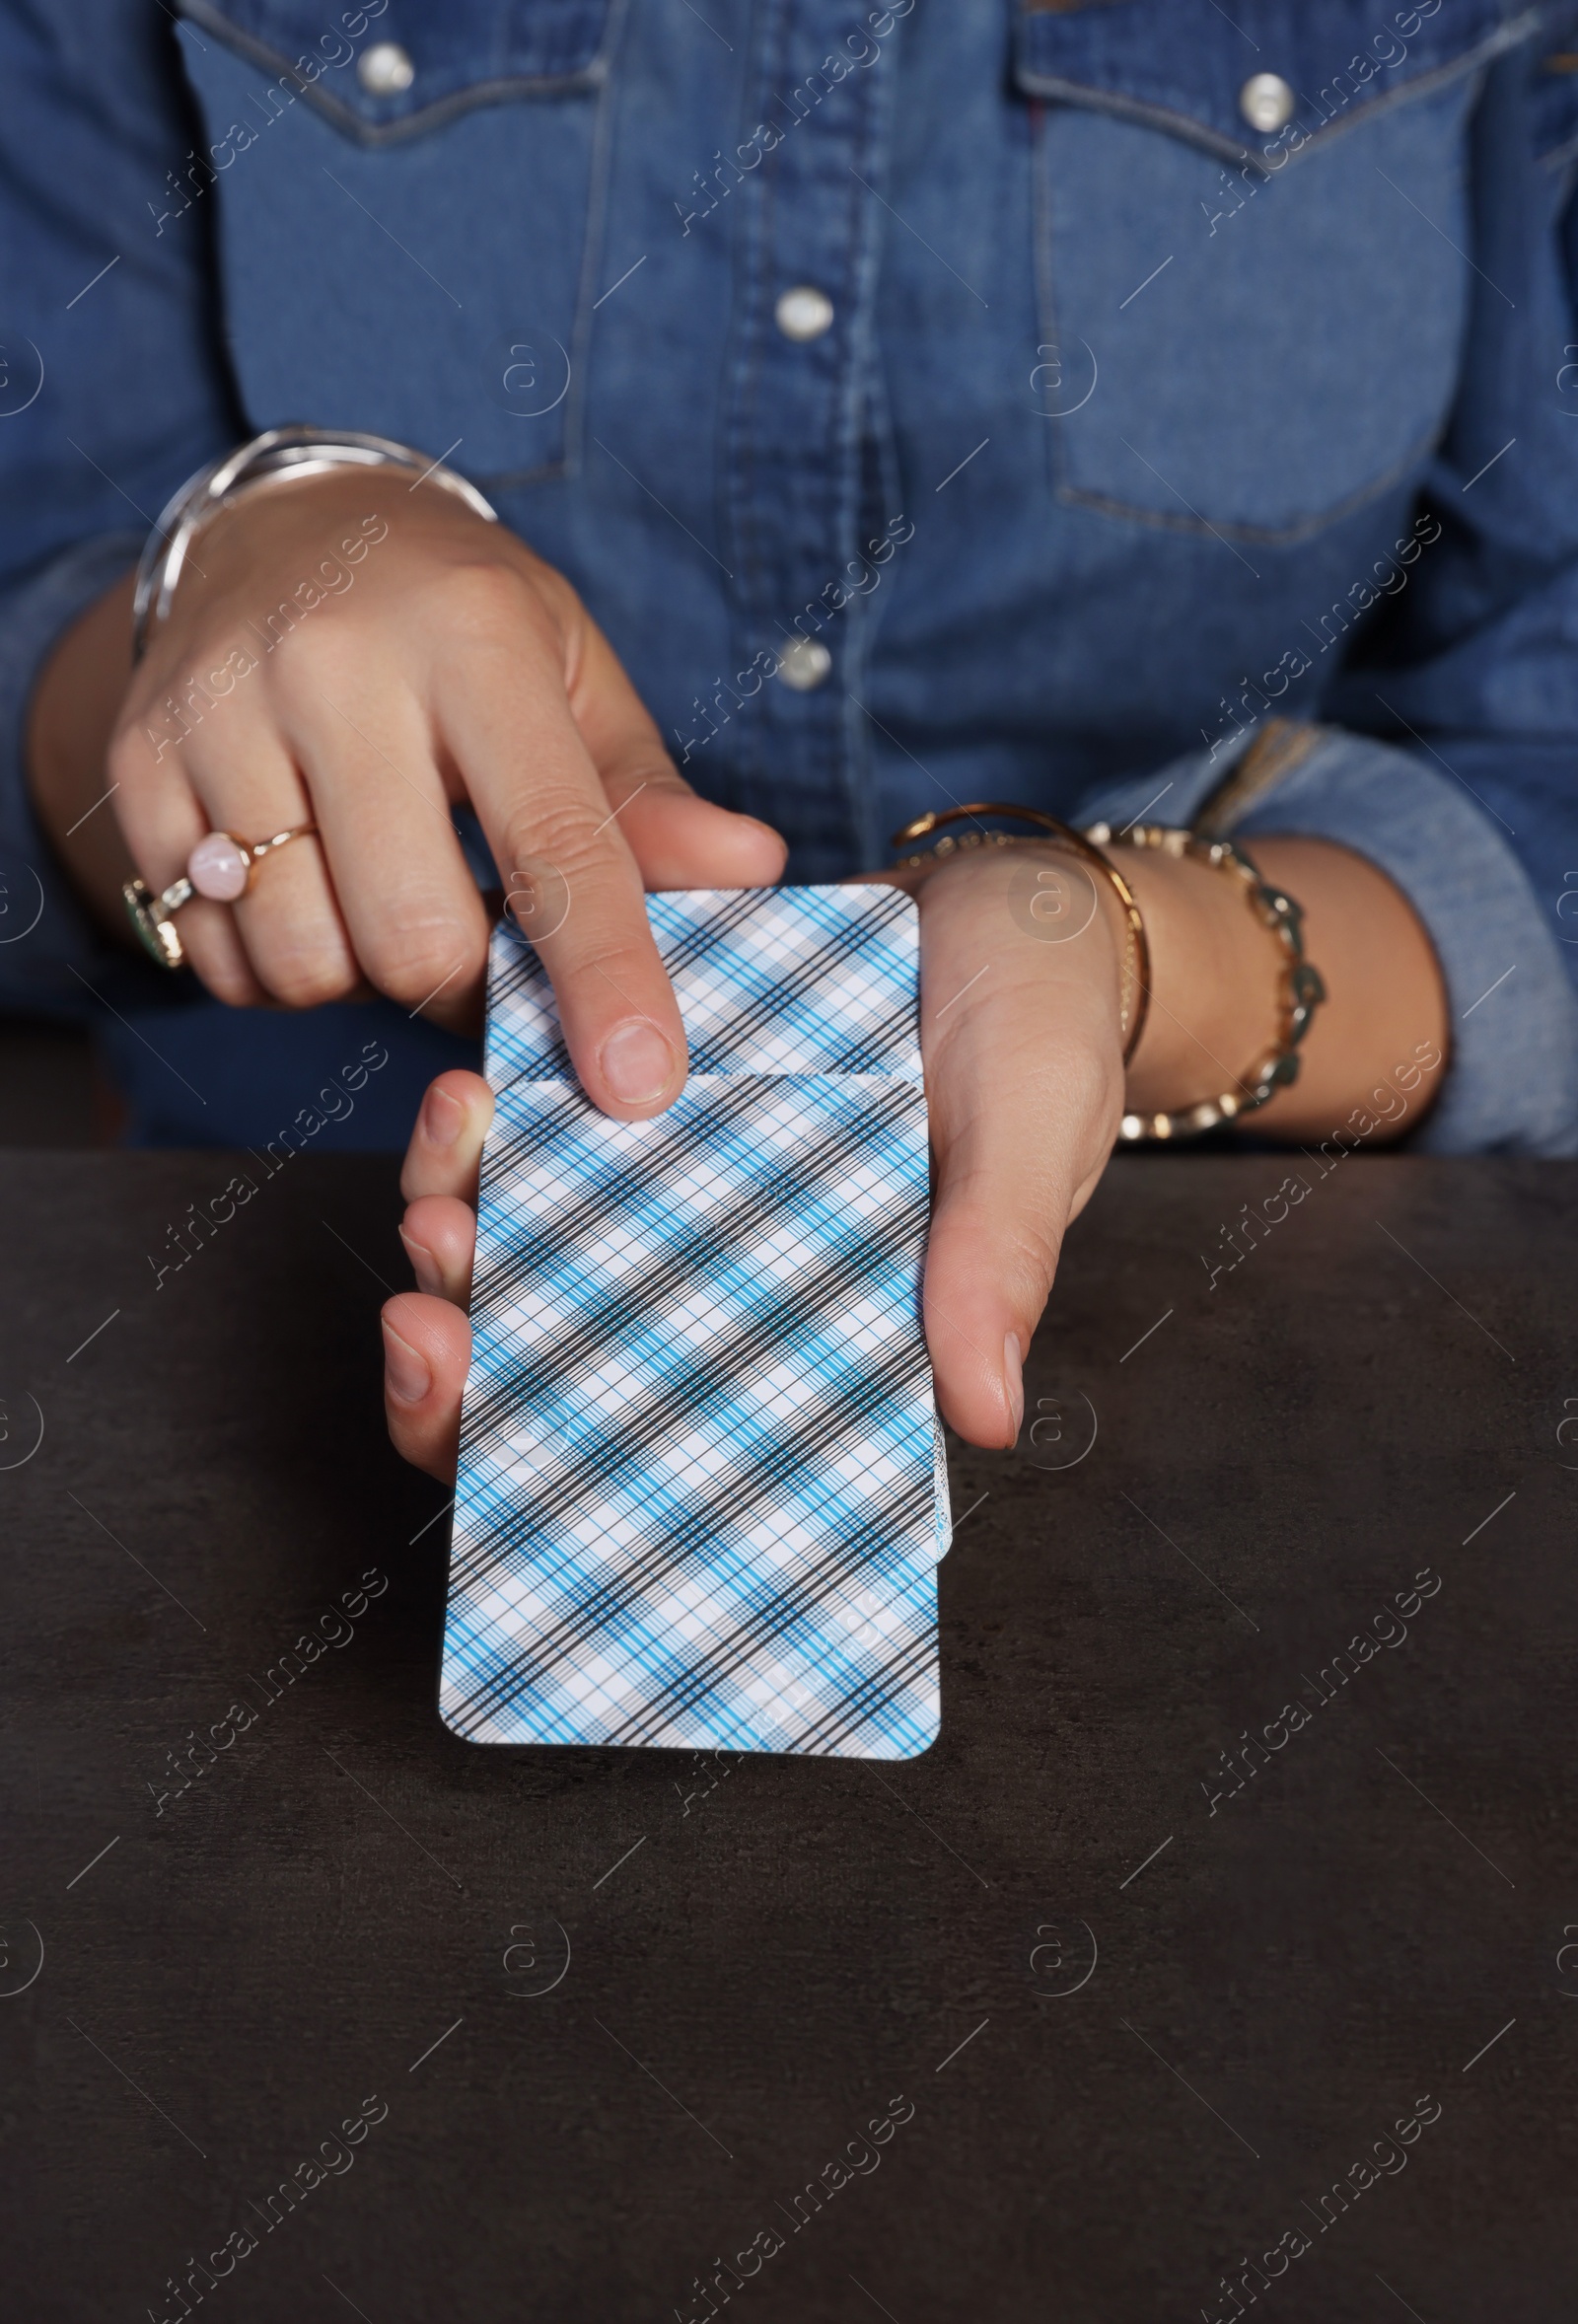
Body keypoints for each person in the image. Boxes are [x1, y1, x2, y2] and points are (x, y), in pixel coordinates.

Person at [6, 1, 1577, 1477]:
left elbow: (1548, 775)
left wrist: (1145, 960)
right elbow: (35, 590)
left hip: (1275, 1341)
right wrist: (225, 581)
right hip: (255, 1294)